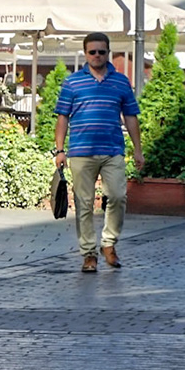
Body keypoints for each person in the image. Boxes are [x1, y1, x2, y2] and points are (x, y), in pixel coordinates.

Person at [53, 31, 143, 273]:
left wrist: (138, 150)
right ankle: (88, 254)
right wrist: (59, 150)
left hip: (113, 150)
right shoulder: (72, 82)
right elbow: (62, 117)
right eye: (92, 52)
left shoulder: (121, 82)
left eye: (101, 52)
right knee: (83, 203)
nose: (97, 56)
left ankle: (109, 243)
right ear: (85, 53)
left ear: (108, 53)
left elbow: (131, 117)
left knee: (118, 196)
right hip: (81, 152)